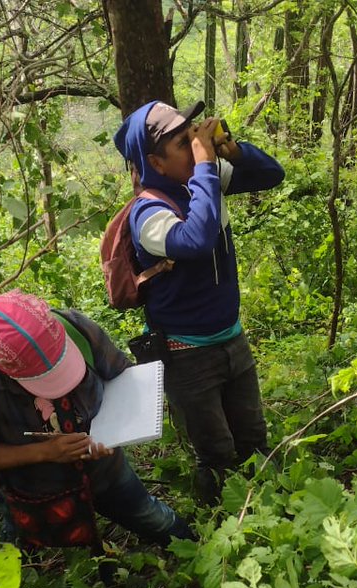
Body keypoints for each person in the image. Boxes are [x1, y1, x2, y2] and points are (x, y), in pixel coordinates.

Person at [113, 100, 285, 505]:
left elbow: (272, 174)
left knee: (253, 438)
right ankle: (223, 527)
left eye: (193, 135)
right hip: (187, 355)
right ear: (154, 160)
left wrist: (232, 151)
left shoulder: (202, 178)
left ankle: (276, 510)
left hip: (231, 340)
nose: (194, 146)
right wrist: (206, 167)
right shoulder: (148, 213)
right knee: (217, 454)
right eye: (181, 143)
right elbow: (196, 238)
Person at [0, 290, 195, 551]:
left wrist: (114, 431)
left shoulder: (74, 328)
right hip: (37, 491)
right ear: (3, 368)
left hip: (106, 471)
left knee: (152, 517)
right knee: (23, 545)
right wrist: (46, 452)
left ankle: (195, 552)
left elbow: (120, 374)